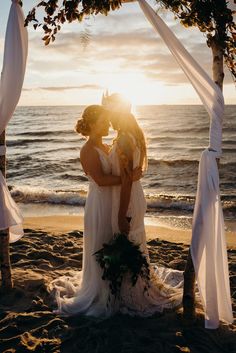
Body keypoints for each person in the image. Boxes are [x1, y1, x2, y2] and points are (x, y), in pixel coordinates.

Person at [50, 104, 141, 317]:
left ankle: (116, 288)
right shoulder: (88, 150)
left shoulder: (106, 146)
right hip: (99, 204)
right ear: (92, 125)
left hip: (112, 201)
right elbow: (100, 180)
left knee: (112, 240)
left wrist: (133, 174)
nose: (108, 125)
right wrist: (129, 178)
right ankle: (101, 292)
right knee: (102, 242)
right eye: (104, 122)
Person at [105, 94, 183, 316]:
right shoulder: (129, 136)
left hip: (127, 198)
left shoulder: (124, 140)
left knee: (127, 239)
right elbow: (129, 175)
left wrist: (121, 213)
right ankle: (131, 289)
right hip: (131, 194)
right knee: (132, 242)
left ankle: (134, 295)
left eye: (111, 114)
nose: (109, 119)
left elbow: (127, 180)